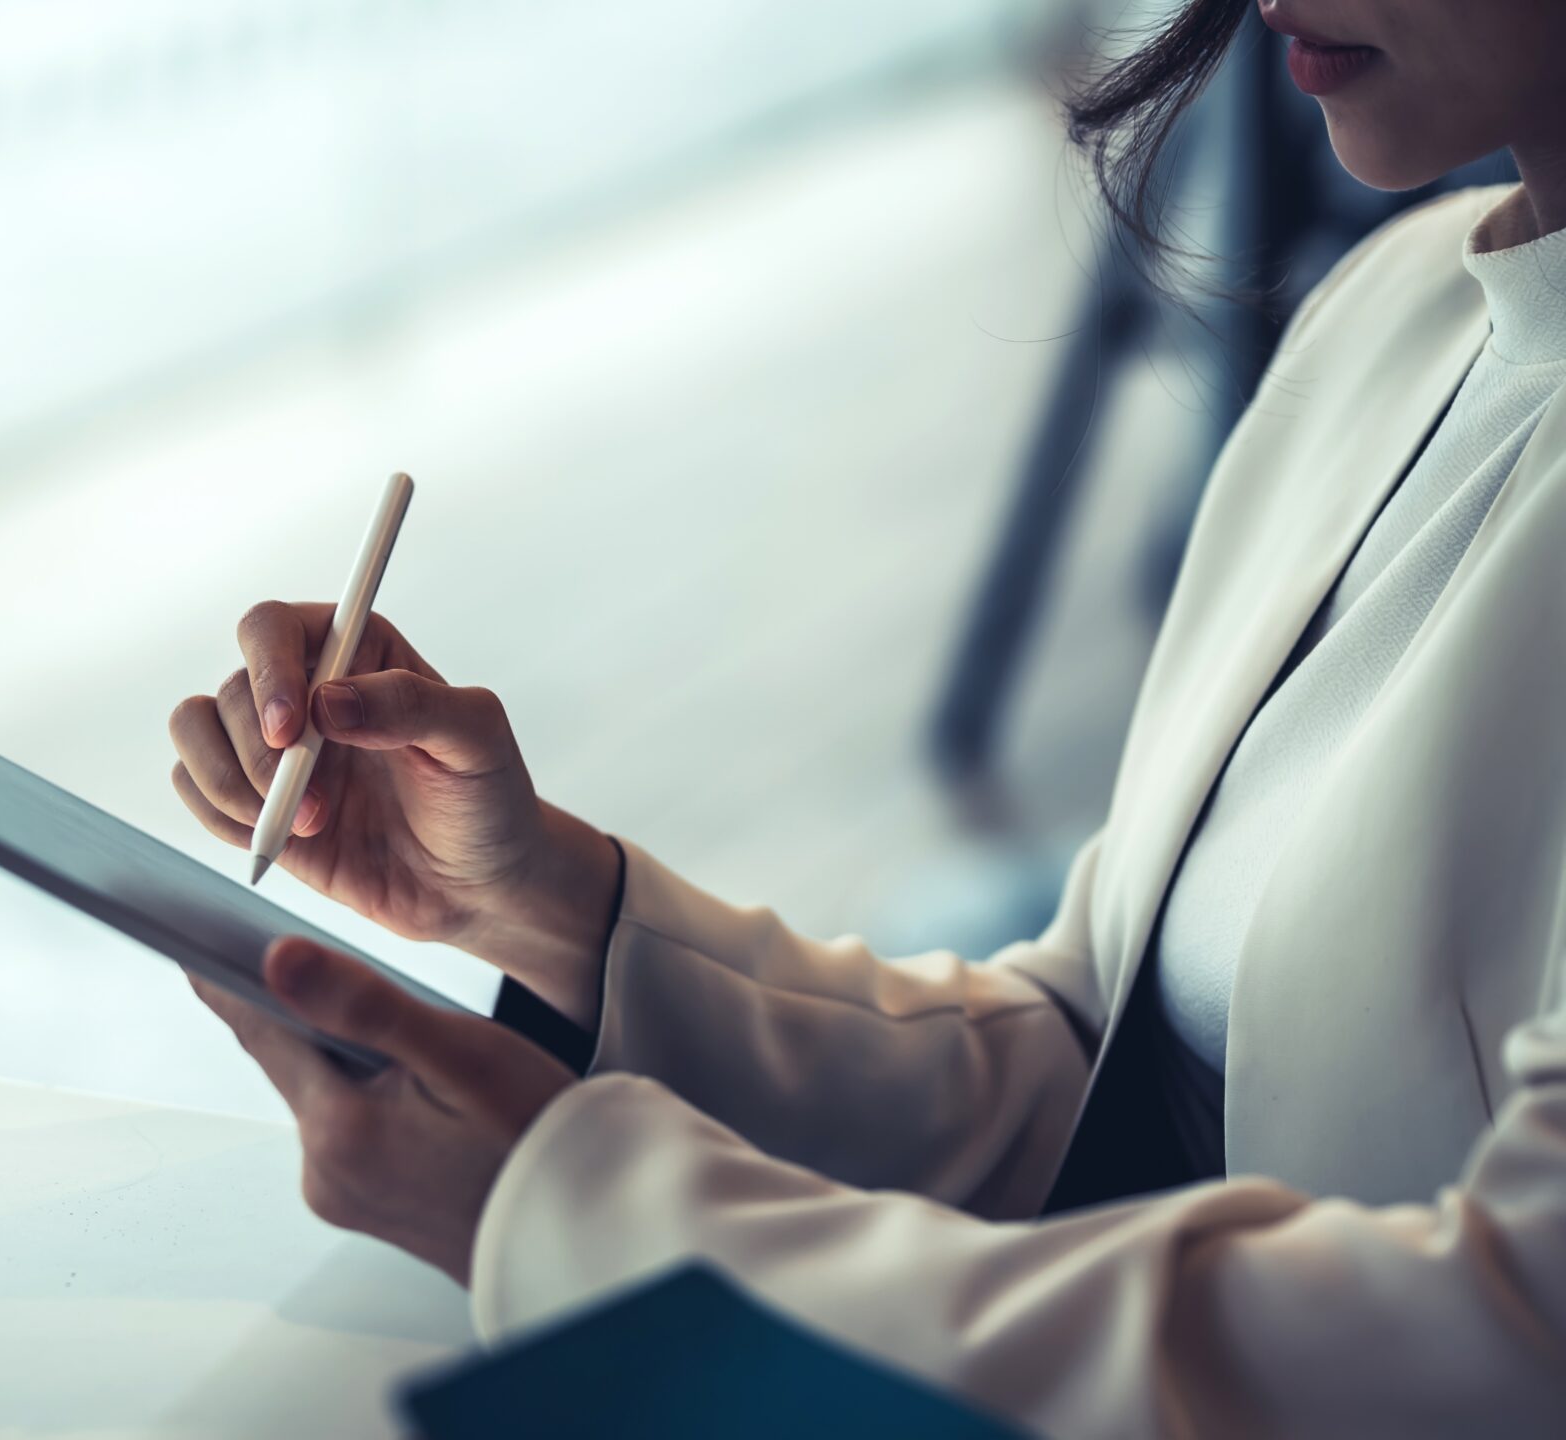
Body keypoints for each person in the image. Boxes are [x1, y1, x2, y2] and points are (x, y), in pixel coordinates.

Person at [166, 1, 1566, 1432]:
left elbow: (1508, 1340)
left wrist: (585, 1228)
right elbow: (1089, 1084)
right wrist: (537, 902)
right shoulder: (1396, 319)